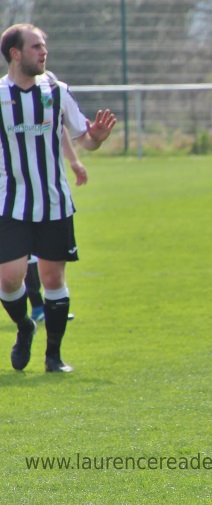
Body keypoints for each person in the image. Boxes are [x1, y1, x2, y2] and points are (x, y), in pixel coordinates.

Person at [0, 23, 117, 373]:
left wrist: (97, 138)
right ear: (15, 53)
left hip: (54, 202)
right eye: (36, 46)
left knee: (53, 280)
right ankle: (24, 326)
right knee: (9, 279)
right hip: (11, 203)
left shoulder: (56, 90)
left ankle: (54, 357)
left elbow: (84, 138)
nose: (44, 52)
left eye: (44, 46)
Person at [27, 128, 88, 323]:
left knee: (40, 254)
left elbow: (60, 127)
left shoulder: (47, 109)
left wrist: (74, 160)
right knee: (23, 257)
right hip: (11, 192)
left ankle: (45, 305)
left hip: (45, 192)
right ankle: (38, 306)